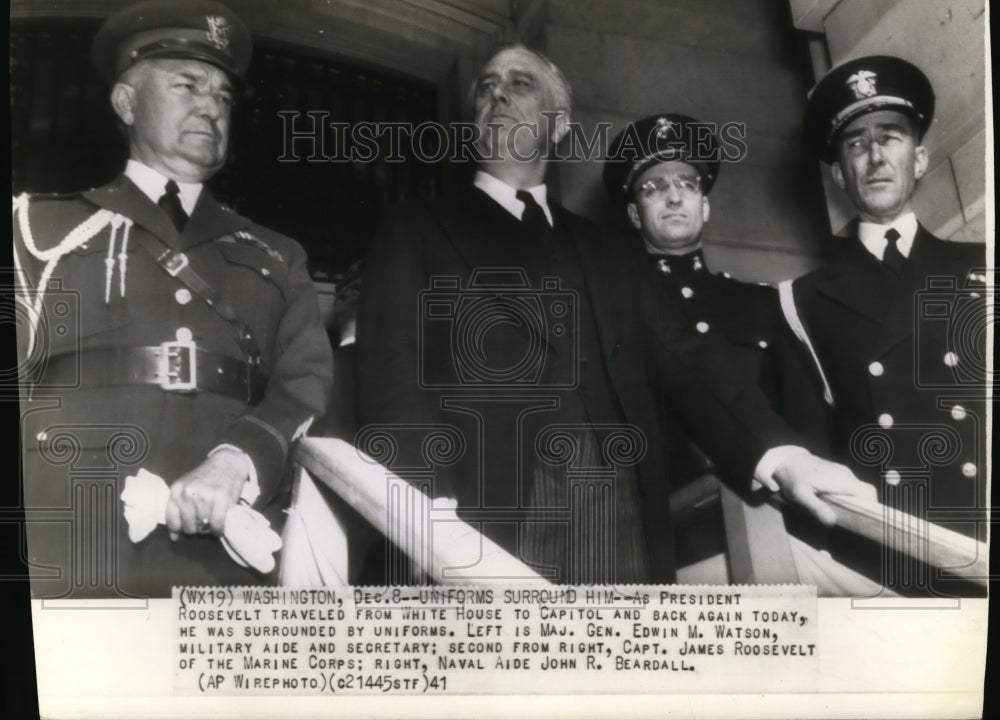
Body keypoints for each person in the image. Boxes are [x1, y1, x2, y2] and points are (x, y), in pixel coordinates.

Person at [356, 44, 875, 585]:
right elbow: (391, 382)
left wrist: (780, 454)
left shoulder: (611, 252)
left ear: (558, 126)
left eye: (520, 83)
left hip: (620, 512)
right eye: (487, 85)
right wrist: (419, 513)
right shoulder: (414, 227)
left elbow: (687, 359)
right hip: (481, 510)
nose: (498, 93)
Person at [13, 0, 333, 598]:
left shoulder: (275, 254)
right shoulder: (34, 230)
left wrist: (236, 461)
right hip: (61, 535)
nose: (210, 105)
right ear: (127, 102)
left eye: (222, 95)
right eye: (187, 83)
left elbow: (304, 386)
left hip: (219, 561)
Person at [777, 55, 987, 592]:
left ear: (918, 159)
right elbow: (814, 457)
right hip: (893, 563)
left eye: (889, 137)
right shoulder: (801, 302)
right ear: (838, 174)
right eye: (855, 144)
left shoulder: (985, 266)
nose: (874, 157)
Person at [603, 113, 779, 488]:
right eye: (653, 187)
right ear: (635, 214)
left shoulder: (761, 302)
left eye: (687, 183)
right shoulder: (612, 303)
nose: (674, 196)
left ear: (705, 206)